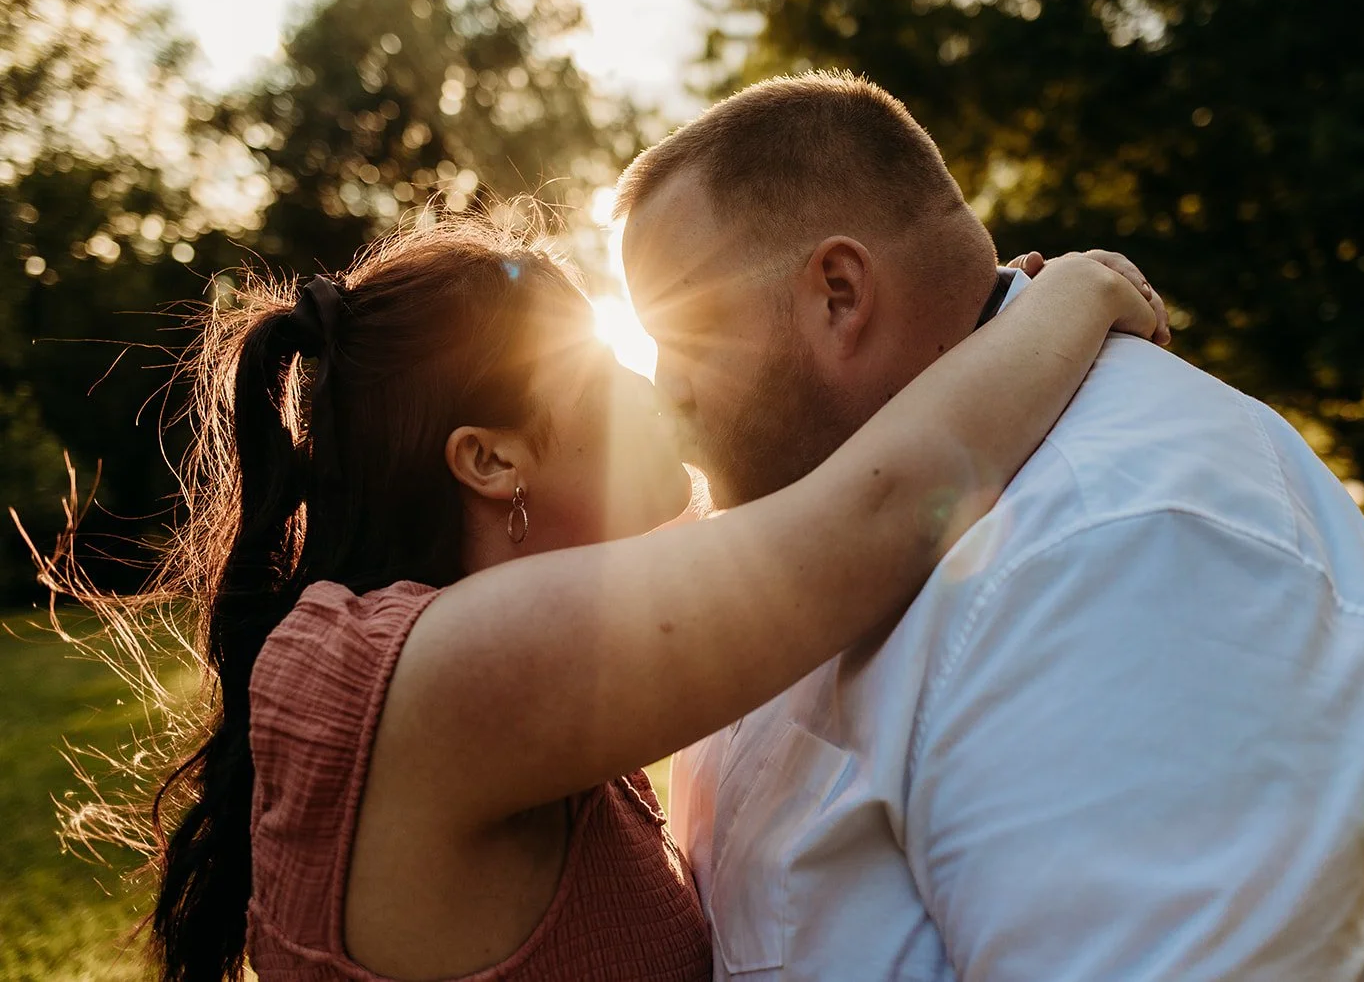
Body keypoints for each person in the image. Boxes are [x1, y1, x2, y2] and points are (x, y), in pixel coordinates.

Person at [58, 218, 1164, 982]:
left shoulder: (459, 653)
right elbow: (862, 525)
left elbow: (815, 503)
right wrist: (1068, 295)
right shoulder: (428, 677)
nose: (654, 383)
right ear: (491, 461)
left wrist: (953, 339)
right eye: (600, 374)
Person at [616, 71, 1364, 981]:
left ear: (839, 293)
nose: (661, 390)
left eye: (682, 336)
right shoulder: (799, 518)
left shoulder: (1120, 544)